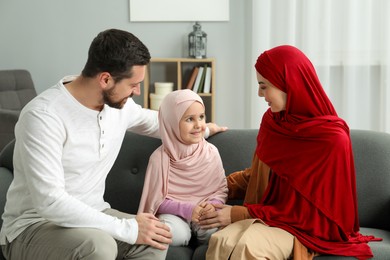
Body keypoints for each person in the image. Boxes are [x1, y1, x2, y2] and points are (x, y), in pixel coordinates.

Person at [0, 29, 227, 260]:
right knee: (99, 246)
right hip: (33, 226)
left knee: (157, 236)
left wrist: (204, 129)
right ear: (105, 79)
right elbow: (50, 201)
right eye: (133, 84)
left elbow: (163, 124)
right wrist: (129, 229)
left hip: (95, 213)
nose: (137, 91)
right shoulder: (43, 116)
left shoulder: (119, 107)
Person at [199, 45, 381, 259]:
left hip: (301, 228)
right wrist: (211, 188)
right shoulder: (272, 122)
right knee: (221, 241)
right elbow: (258, 175)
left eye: (264, 86)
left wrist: (239, 213)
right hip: (265, 217)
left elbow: (317, 214)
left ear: (289, 83)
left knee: (247, 248)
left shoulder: (331, 139)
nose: (259, 94)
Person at [138, 89, 228, 247]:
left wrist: (212, 205)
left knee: (214, 231)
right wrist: (188, 209)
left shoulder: (211, 152)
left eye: (201, 117)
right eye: (189, 119)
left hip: (205, 211)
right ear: (172, 122)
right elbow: (156, 200)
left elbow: (221, 188)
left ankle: (203, 232)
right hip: (174, 214)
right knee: (176, 234)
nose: (199, 125)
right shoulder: (159, 158)